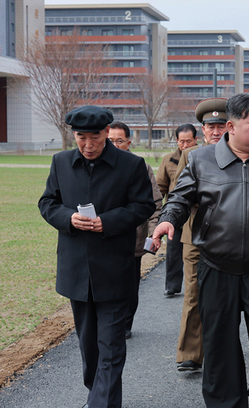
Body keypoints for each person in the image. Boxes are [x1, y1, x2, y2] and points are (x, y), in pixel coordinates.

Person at [152, 93, 249, 408]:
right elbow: (180, 198)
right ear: (231, 126)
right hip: (216, 266)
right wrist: (168, 219)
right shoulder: (201, 159)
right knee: (219, 348)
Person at [38, 106, 155, 408]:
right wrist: (68, 218)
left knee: (111, 345)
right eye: (81, 137)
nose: (88, 145)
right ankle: (97, 393)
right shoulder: (61, 162)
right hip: (76, 270)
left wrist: (108, 221)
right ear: (73, 135)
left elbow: (144, 206)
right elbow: (47, 202)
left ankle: (101, 402)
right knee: (89, 346)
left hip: (115, 268)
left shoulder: (131, 165)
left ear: (106, 133)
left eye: (95, 137)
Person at [171, 98, 227, 372]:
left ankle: (221, 353)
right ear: (202, 130)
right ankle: (190, 354)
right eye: (210, 127)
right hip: (195, 235)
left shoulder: (240, 154)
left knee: (226, 296)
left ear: (230, 127)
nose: (215, 132)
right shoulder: (190, 155)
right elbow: (179, 193)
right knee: (193, 293)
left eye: (220, 126)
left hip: (228, 236)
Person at [107, 121, 163, 339]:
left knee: (129, 285)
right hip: (104, 238)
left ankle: (125, 325)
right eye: (110, 140)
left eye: (119, 141)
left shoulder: (141, 167)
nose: (114, 145)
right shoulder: (98, 166)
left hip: (133, 239)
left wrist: (153, 233)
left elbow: (155, 203)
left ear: (128, 143)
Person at [156, 124, 198, 297]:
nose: (185, 145)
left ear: (196, 140)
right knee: (173, 252)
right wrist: (160, 215)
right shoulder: (168, 160)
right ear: (177, 141)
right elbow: (160, 187)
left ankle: (195, 286)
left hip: (193, 215)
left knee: (193, 254)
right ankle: (172, 285)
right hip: (175, 214)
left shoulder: (200, 157)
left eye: (189, 141)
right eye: (182, 141)